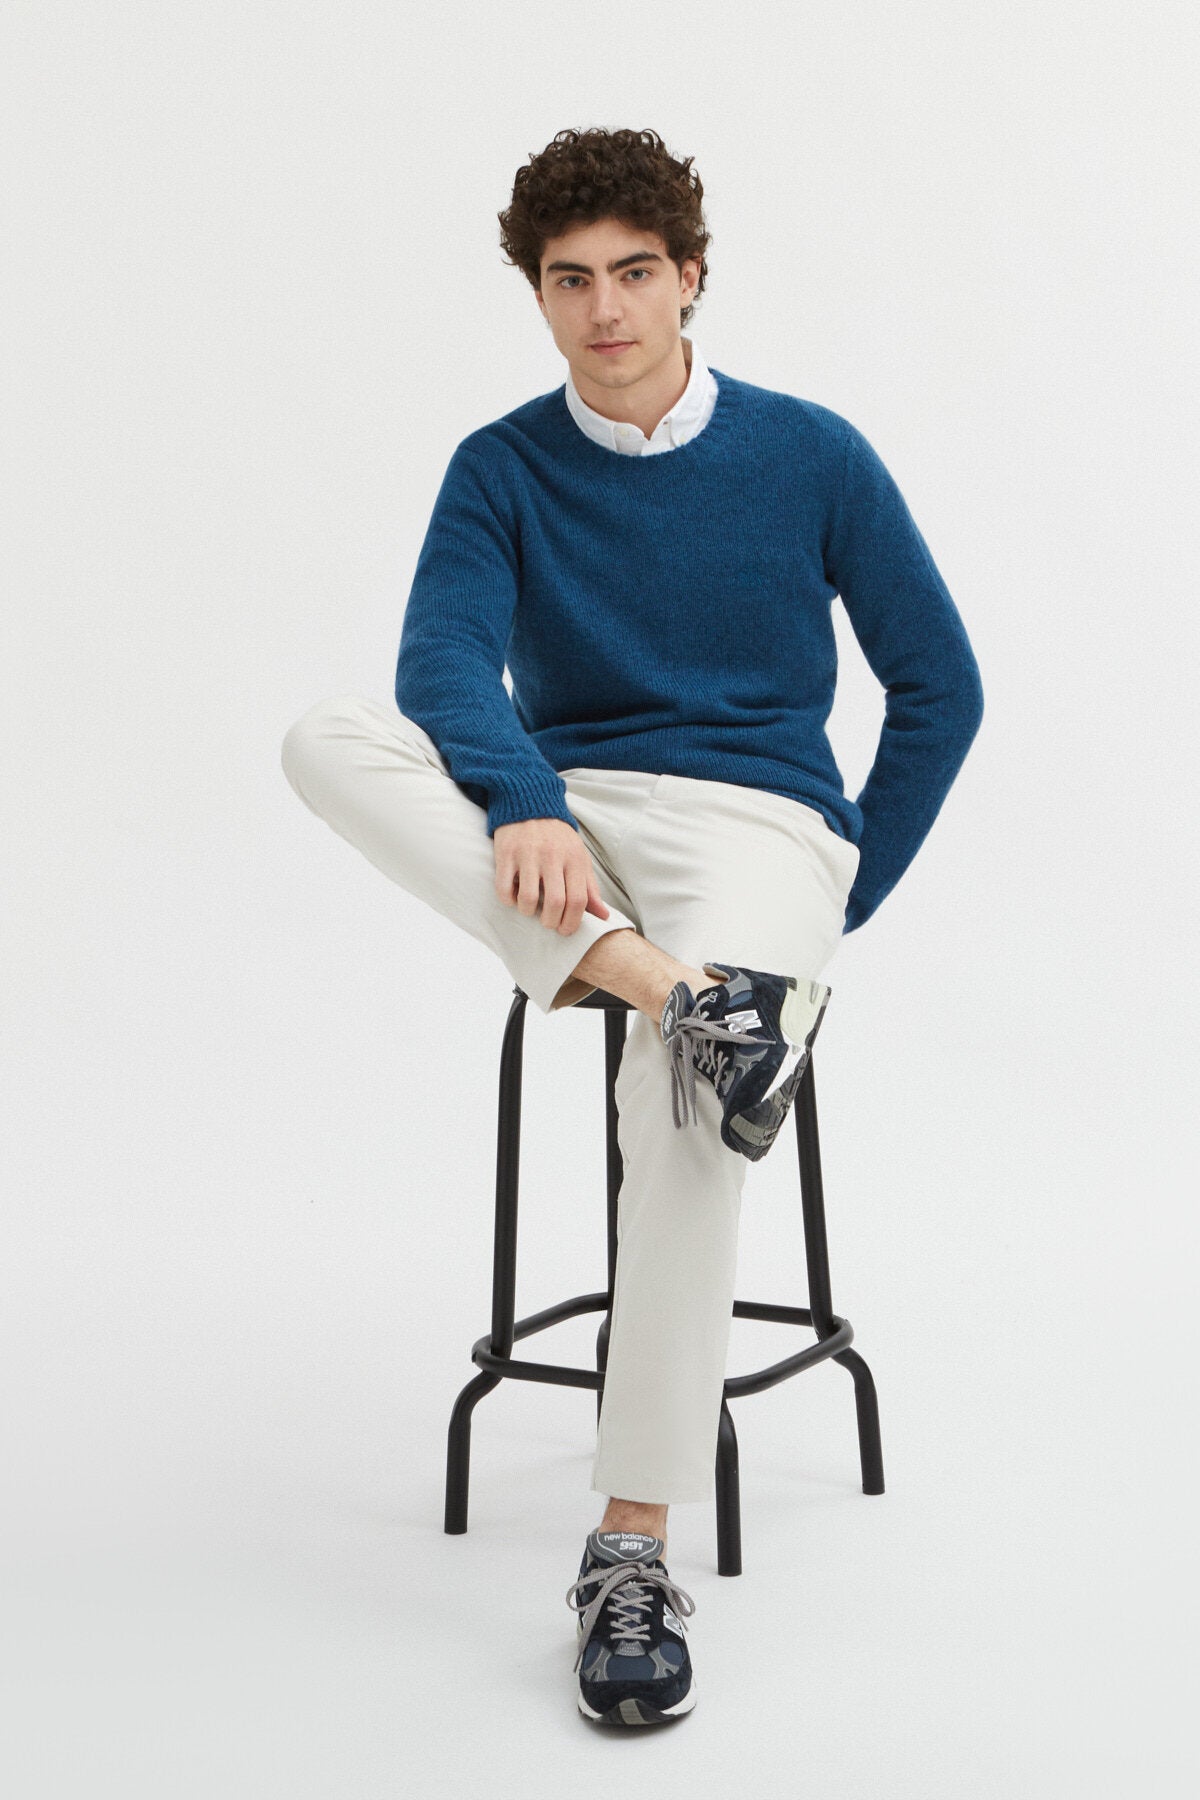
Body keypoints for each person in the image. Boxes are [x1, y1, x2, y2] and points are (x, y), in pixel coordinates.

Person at [280, 125, 985, 1728]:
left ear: (692, 277)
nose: (605, 309)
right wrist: (528, 798)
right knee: (328, 736)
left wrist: (839, 895)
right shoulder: (502, 467)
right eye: (570, 280)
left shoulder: (813, 455)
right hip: (580, 819)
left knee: (681, 1103)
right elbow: (441, 670)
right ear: (537, 294)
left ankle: (631, 1548)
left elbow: (941, 686)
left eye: (635, 273)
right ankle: (690, 997)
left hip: (759, 824)